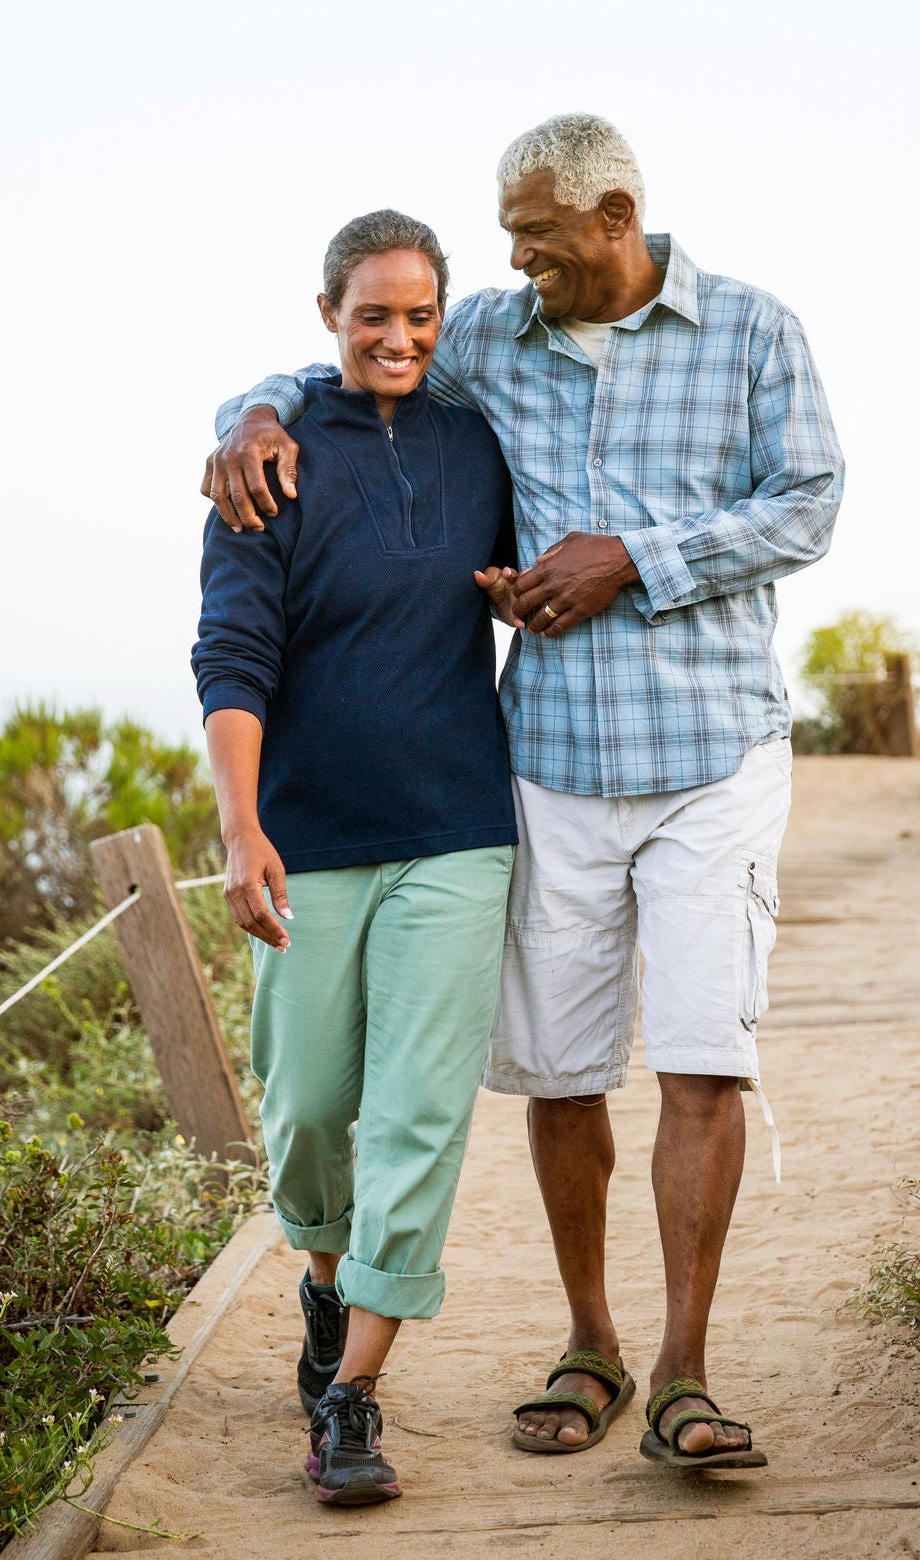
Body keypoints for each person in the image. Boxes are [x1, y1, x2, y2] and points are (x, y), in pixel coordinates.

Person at [203, 113, 844, 1474]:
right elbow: (353, 351)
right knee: (558, 1078)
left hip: (711, 754)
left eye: (536, 237)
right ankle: (589, 1343)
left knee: (696, 1059)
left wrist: (634, 557)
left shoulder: (748, 331)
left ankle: (682, 1371)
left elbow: (808, 503)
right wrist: (242, 415)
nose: (515, 261)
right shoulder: (494, 335)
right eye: (505, 239)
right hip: (545, 760)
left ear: (612, 215)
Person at [192, 209, 519, 1509]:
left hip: (456, 827)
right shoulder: (264, 459)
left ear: (443, 317)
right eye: (373, 314)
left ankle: (352, 1397)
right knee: (313, 1107)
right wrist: (241, 824)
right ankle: (323, 1289)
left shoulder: (479, 439)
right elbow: (233, 649)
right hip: (309, 837)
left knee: (419, 1116)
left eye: (419, 314)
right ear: (328, 313)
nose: (398, 336)